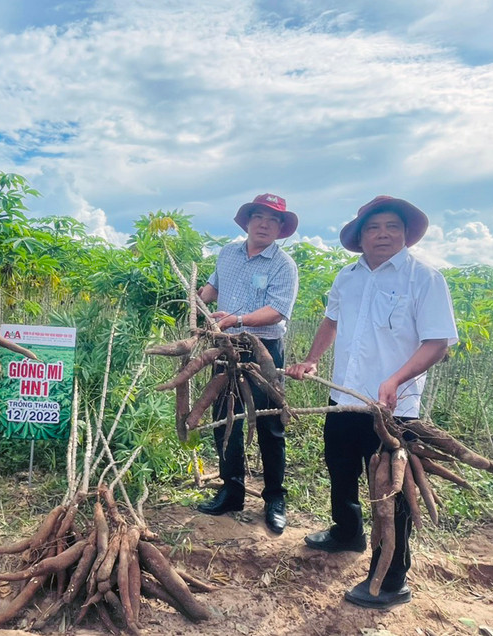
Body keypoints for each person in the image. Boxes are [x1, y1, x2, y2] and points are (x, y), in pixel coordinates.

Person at [285, 195, 457, 609]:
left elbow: (438, 342)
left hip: (393, 410)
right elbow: (332, 320)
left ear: (406, 234)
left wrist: (396, 379)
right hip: (344, 398)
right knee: (341, 470)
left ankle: (392, 578)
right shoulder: (347, 277)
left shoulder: (424, 279)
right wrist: (312, 358)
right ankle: (347, 533)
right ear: (360, 237)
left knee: (390, 493)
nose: (383, 235)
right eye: (373, 228)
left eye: (392, 227)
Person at [196, 193, 299, 535]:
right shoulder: (228, 253)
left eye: (273, 220)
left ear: (280, 228)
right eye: (259, 217)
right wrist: (197, 297)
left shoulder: (283, 265)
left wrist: (237, 319)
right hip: (226, 348)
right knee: (225, 420)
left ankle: (275, 499)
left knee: (269, 423)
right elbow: (213, 287)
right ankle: (232, 490)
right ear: (248, 222)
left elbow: (277, 311)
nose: (264, 225)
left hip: (263, 350)